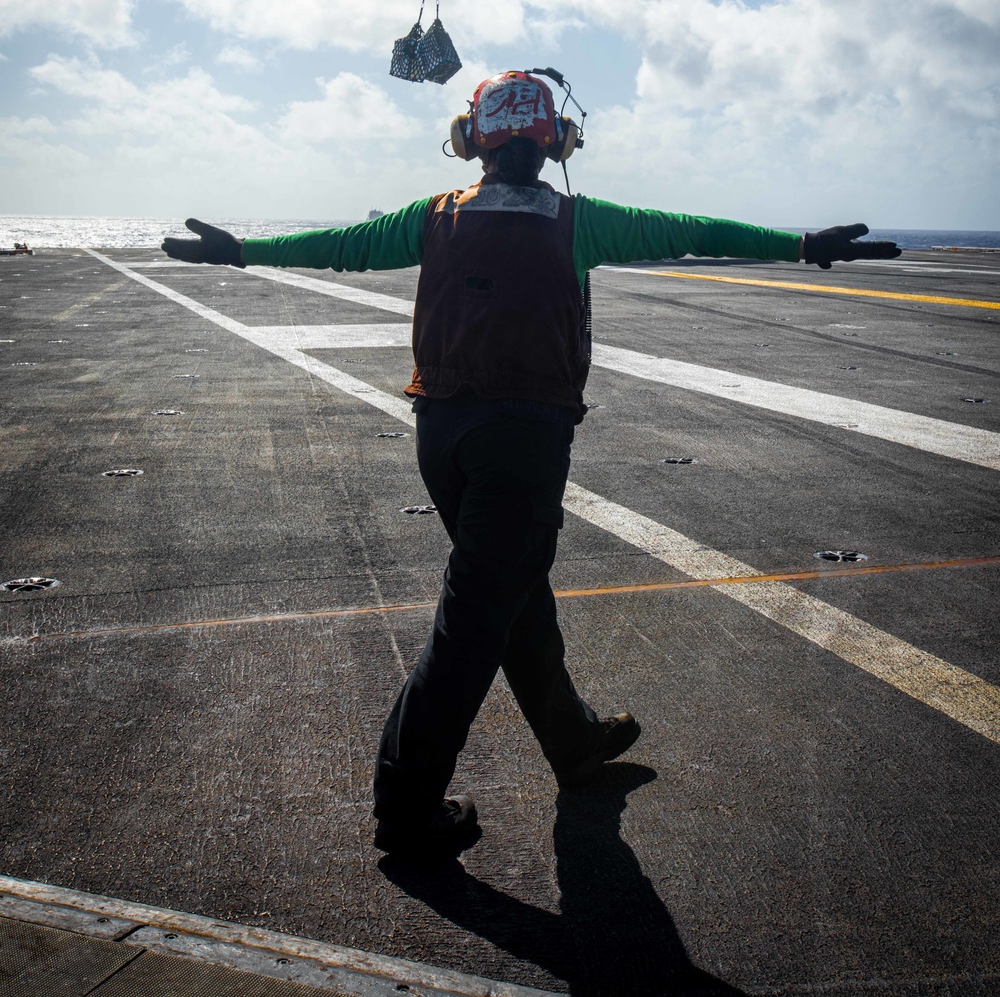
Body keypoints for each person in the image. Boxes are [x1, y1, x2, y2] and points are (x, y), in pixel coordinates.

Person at [162, 69, 900, 861]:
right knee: (474, 620)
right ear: (558, 143)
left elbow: (340, 247)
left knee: (513, 595)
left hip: (441, 433)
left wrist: (239, 250)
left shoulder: (433, 217)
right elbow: (690, 226)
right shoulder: (579, 222)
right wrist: (798, 244)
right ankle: (406, 807)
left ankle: (575, 744)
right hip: (523, 439)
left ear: (470, 140)